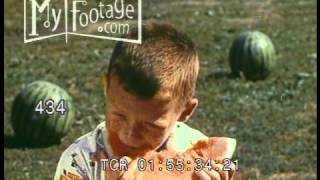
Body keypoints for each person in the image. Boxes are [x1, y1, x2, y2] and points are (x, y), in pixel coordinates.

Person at [54, 21, 236, 180]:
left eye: (151, 126)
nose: (130, 136)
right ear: (106, 86)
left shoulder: (198, 150)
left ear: (185, 111)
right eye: (119, 116)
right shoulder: (79, 161)